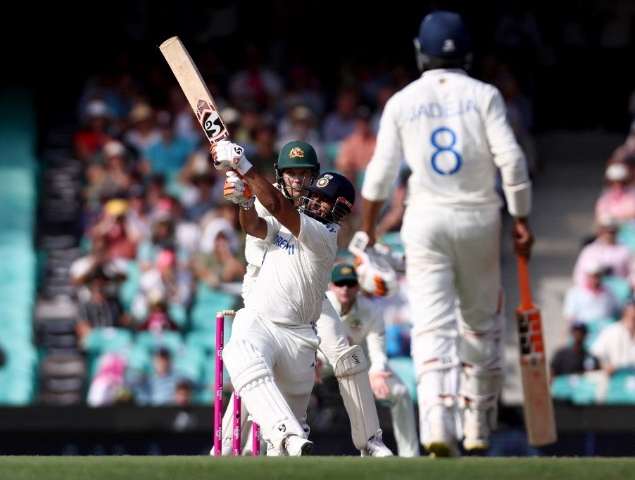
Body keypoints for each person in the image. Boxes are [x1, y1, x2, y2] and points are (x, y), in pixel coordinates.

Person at [357, 10, 534, 457]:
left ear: (421, 54)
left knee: (432, 325)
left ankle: (437, 422)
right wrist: (522, 220)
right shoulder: (486, 95)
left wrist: (369, 230)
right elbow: (511, 163)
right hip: (479, 216)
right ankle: (476, 425)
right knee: (480, 323)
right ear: (468, 54)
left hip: (425, 218)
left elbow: (379, 175)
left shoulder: (401, 101)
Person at [213, 140, 393, 457]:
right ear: (281, 175)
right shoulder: (264, 199)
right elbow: (259, 223)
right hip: (266, 294)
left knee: (347, 357)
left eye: (304, 174)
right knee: (249, 362)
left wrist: (242, 165)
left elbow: (280, 208)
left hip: (310, 297)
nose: (297, 180)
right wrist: (243, 200)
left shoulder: (316, 222)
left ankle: (370, 440)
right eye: (292, 173)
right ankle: (227, 446)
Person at [322, 263, 420, 457]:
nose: (345, 289)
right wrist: (312, 361)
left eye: (350, 284)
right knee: (293, 380)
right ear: (331, 286)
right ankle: (281, 446)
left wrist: (377, 372)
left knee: (400, 392)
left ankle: (410, 456)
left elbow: (377, 348)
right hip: (323, 362)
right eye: (340, 284)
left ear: (358, 286)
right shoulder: (322, 304)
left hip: (361, 364)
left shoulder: (371, 310)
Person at [590, 295, 635, 376]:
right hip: (617, 378)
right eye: (633, 306)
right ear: (625, 310)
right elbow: (594, 355)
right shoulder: (612, 330)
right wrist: (604, 365)